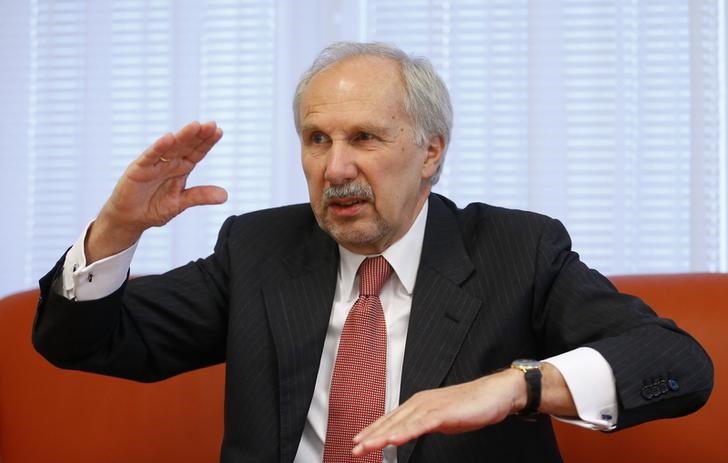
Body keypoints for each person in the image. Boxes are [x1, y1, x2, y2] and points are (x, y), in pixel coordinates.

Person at [33, 42, 712, 463]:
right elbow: (86, 341)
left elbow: (680, 364)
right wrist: (116, 231)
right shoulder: (260, 249)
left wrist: (517, 386)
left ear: (430, 151)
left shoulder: (518, 249)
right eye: (317, 138)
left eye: (364, 136)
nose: (334, 167)